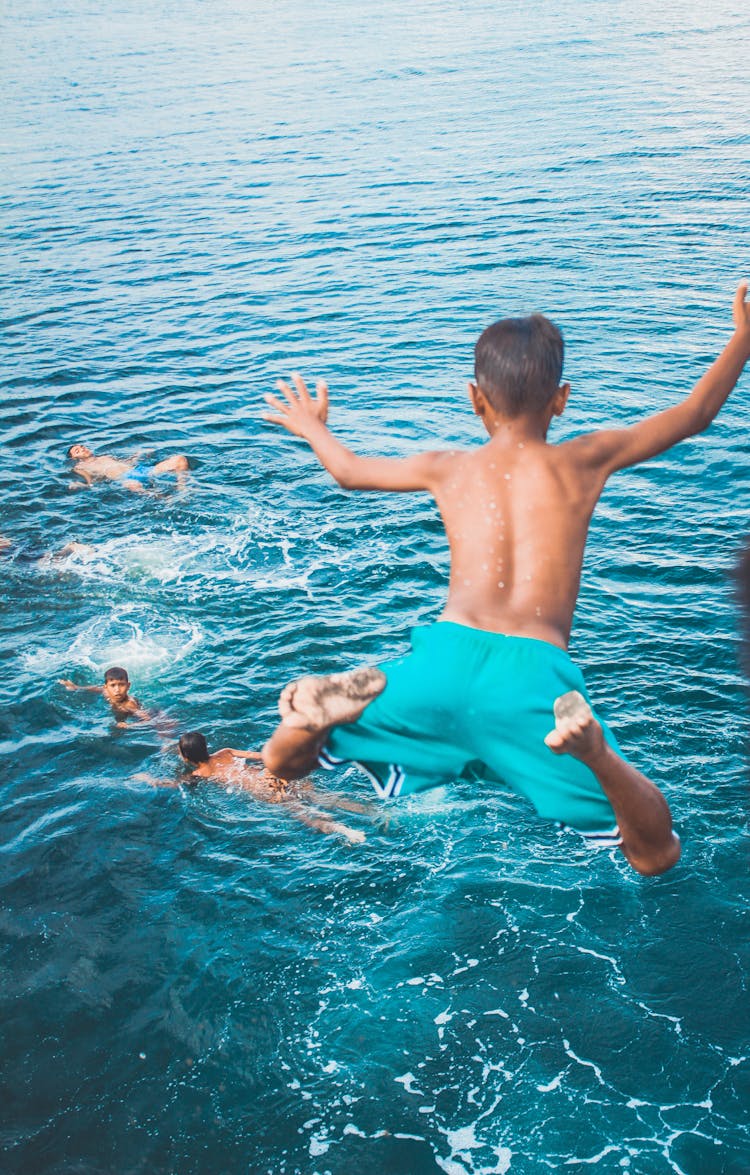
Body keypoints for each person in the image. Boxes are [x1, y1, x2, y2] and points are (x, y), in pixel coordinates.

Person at [259, 282, 750, 876]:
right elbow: (696, 414)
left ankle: (313, 717)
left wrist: (313, 425)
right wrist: (743, 336)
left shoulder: (447, 468)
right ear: (561, 399)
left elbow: (349, 472)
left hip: (441, 657)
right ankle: (593, 752)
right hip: (530, 676)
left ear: (475, 399)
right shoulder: (583, 460)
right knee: (653, 853)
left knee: (286, 770)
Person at [142, 731, 370, 844]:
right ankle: (375, 812)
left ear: (185, 757)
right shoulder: (226, 752)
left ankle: (344, 831)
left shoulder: (200, 774)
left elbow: (173, 784)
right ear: (206, 746)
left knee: (303, 814)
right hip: (271, 774)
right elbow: (262, 756)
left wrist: (148, 780)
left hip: (263, 790)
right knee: (322, 796)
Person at [67, 444, 190, 493]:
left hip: (140, 470)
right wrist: (80, 485)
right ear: (74, 458)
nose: (82, 449)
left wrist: (138, 455)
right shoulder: (80, 467)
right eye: (77, 451)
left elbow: (127, 462)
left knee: (180, 459)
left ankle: (182, 487)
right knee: (133, 486)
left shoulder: (105, 456)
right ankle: (165, 500)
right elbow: (91, 483)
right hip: (125, 478)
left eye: (82, 447)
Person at [59, 666, 151, 723]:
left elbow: (148, 719)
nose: (117, 690)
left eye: (121, 685)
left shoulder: (130, 704)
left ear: (128, 686)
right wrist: (76, 687)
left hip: (130, 715)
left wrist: (129, 726)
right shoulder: (106, 691)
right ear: (106, 686)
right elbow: (95, 688)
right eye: (113, 685)